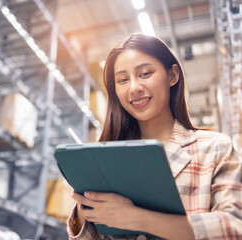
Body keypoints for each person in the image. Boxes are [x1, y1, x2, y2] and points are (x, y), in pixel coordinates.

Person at [67, 34, 242, 240]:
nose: (134, 88)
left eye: (145, 73)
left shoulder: (214, 149)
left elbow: (234, 227)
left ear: (172, 75)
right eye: (123, 80)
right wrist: (85, 203)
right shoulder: (109, 161)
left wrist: (138, 218)